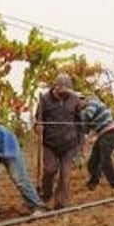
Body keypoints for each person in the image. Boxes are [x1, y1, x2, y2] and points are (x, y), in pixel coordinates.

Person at [35, 73, 83, 209]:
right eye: (61, 93)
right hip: (50, 143)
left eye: (66, 93)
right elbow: (38, 119)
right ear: (55, 88)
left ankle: (60, 204)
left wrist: (80, 142)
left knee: (65, 174)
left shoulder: (74, 99)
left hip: (69, 144)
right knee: (50, 170)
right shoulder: (44, 100)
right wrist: (38, 126)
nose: (63, 95)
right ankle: (46, 194)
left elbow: (79, 121)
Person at [77, 96, 114, 190]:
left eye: (79, 103)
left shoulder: (92, 101)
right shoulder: (85, 111)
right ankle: (93, 182)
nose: (78, 105)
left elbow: (88, 115)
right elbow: (85, 129)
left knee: (105, 160)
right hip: (102, 134)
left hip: (110, 132)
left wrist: (78, 116)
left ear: (83, 99)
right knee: (92, 162)